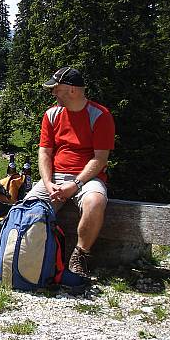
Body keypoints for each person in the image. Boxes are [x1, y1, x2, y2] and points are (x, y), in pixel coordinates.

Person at [24, 66, 115, 277]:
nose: (53, 94)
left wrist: (76, 184)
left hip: (87, 178)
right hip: (55, 178)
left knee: (95, 202)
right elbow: (45, 153)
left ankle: (80, 255)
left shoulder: (100, 115)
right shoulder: (52, 115)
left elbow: (100, 159)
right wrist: (48, 183)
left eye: (56, 89)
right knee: (26, 208)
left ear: (72, 90)